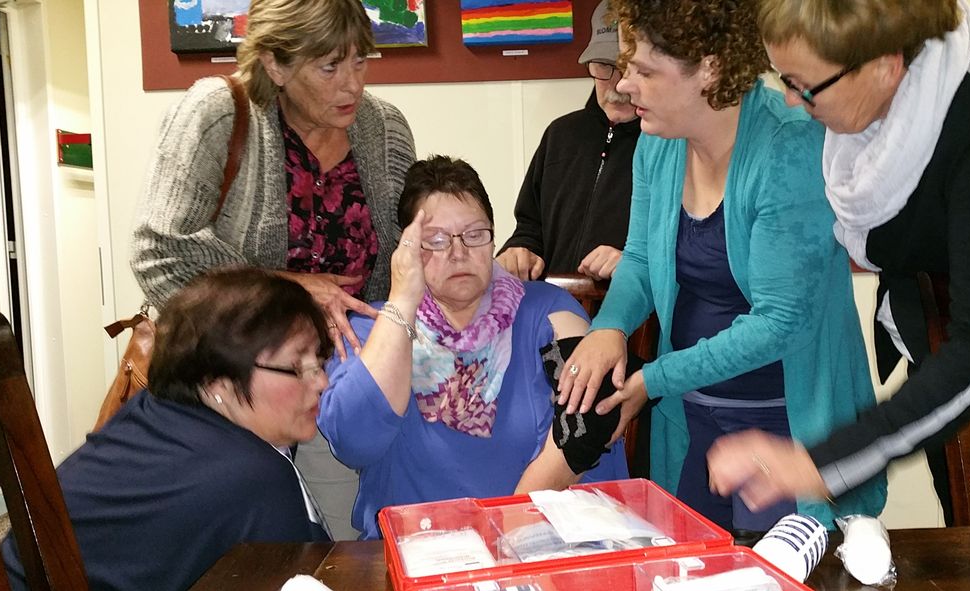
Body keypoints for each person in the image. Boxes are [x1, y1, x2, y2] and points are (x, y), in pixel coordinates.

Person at [706, 0, 970, 519]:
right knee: (966, 529)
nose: (793, 102)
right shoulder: (873, 112)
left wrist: (822, 464)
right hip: (942, 335)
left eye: (804, 85)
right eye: (784, 79)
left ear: (886, 66)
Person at [555, 0, 885, 538]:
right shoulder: (657, 146)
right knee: (688, 578)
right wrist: (609, 327)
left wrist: (651, 380)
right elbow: (638, 258)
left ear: (708, 68)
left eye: (642, 70)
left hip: (784, 427)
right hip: (690, 417)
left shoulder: (790, 145)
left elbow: (778, 322)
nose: (625, 85)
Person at [131, 0, 415, 540]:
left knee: (349, 546)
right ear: (275, 65)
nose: (352, 84)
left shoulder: (384, 130)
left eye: (361, 61)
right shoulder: (219, 113)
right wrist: (287, 289)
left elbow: (401, 260)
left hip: (344, 388)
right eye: (330, 66)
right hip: (237, 394)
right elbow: (158, 252)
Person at [318, 156, 629, 539]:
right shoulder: (370, 327)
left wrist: (504, 532)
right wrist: (402, 304)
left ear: (494, 238)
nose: (458, 252)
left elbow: (589, 421)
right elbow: (354, 443)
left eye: (475, 234)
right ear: (407, 249)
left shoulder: (545, 310)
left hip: (537, 542)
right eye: (435, 240)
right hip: (411, 551)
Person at [0, 268, 331, 591]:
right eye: (297, 367)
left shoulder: (149, 411)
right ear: (218, 382)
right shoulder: (254, 478)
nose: (321, 381)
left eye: (320, 360)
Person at [496, 0, 640, 281]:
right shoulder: (560, 135)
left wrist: (631, 260)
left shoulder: (669, 144)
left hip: (632, 316)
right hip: (553, 310)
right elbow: (529, 226)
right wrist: (519, 250)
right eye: (603, 66)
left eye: (628, 67)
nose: (618, 84)